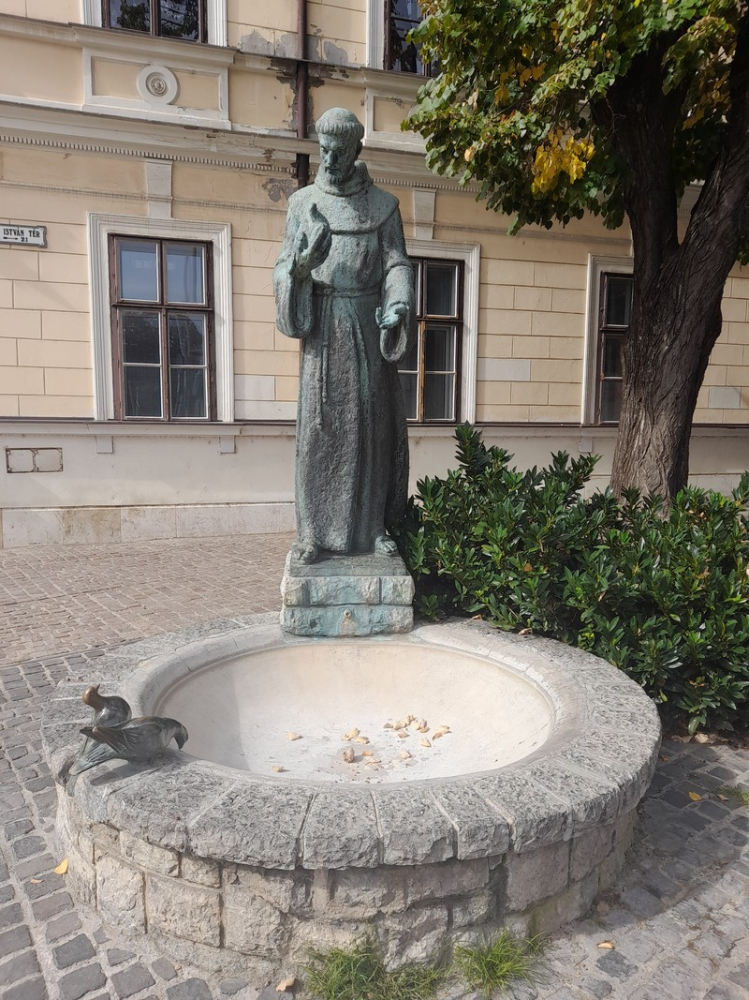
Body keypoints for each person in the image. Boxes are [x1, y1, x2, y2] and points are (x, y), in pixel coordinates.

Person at [274, 108, 415, 564]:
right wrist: (300, 269)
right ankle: (311, 533)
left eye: (339, 151)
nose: (330, 160)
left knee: (369, 433)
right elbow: (284, 266)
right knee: (320, 433)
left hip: (366, 327)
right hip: (323, 330)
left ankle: (373, 529)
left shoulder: (383, 206)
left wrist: (398, 303)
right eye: (324, 150)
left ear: (356, 150)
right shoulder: (303, 204)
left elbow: (396, 264)